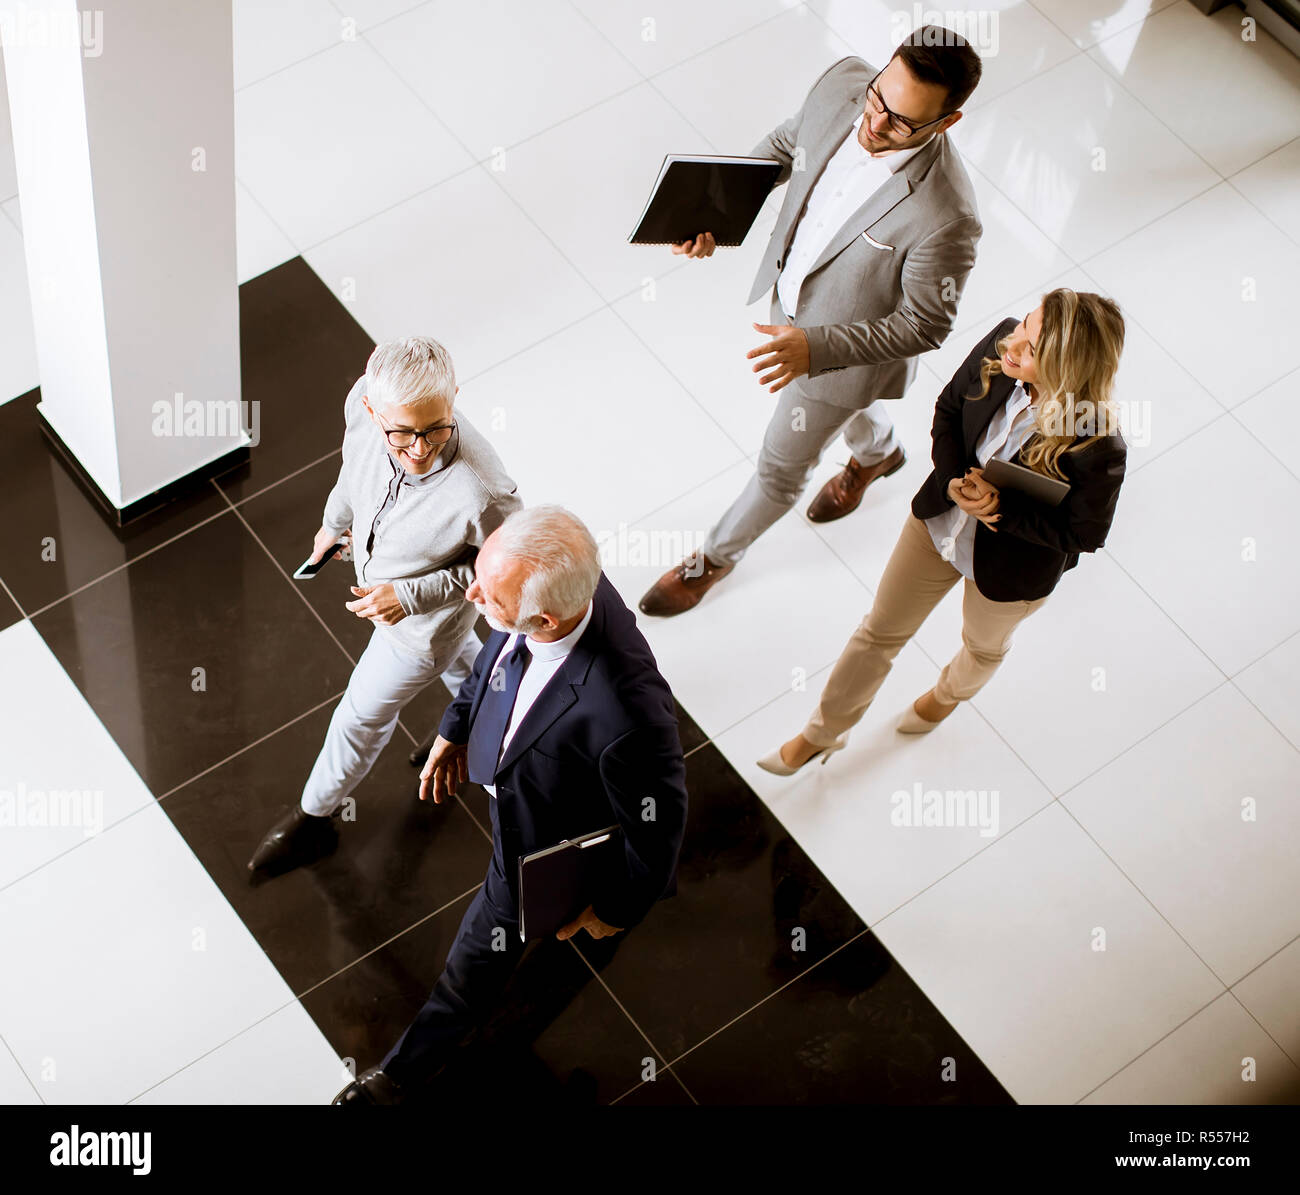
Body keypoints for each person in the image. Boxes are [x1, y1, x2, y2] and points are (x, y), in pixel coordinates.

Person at [333, 506, 689, 1104]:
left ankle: (401, 1076)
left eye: (489, 596)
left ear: (545, 619)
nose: (471, 593)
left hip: (543, 841)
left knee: (477, 961)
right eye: (480, 573)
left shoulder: (627, 711)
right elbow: (497, 658)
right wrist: (458, 725)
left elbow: (660, 823)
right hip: (521, 784)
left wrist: (620, 907)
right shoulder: (539, 581)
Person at [639, 27, 984, 618]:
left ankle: (712, 562)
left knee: (779, 467)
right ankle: (878, 454)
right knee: (845, 407)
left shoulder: (947, 215)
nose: (873, 125)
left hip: (833, 354)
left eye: (902, 123)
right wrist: (715, 211)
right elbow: (786, 144)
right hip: (791, 300)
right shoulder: (844, 84)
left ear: (946, 123)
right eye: (879, 98)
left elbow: (925, 324)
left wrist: (815, 349)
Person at [757, 289, 1127, 774]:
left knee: (981, 648)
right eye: (1025, 327)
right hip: (938, 522)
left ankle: (946, 696)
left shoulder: (1098, 441)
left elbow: (1085, 534)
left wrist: (1001, 509)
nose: (1011, 344)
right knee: (878, 633)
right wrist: (954, 480)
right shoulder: (1003, 343)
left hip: (1011, 571)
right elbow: (950, 409)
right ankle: (821, 734)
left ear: (1067, 367)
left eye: (1031, 348)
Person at [248, 337, 522, 873]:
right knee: (467, 655)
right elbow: (353, 471)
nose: (420, 449)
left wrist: (410, 595)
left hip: (420, 631)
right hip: (421, 612)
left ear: (455, 398)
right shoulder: (362, 404)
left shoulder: (483, 490)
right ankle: (478, 714)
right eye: (400, 435)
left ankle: (314, 817)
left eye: (437, 429)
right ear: (372, 408)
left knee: (358, 719)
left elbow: (505, 569)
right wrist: (334, 524)